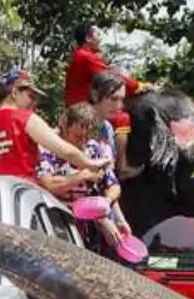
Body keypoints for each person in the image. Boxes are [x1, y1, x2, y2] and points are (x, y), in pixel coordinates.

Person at [38, 103, 146, 263]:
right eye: (76, 136)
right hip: (53, 225)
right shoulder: (46, 148)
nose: (81, 142)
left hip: (88, 232)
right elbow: (49, 184)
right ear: (64, 124)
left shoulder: (96, 149)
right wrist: (82, 176)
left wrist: (105, 206)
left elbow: (113, 186)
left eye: (86, 137)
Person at [0, 67, 94, 180]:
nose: (34, 103)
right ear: (15, 92)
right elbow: (66, 151)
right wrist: (91, 163)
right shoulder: (25, 118)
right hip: (21, 193)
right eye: (31, 97)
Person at [62, 24, 142, 109]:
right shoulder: (87, 57)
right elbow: (109, 78)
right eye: (98, 34)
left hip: (78, 104)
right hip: (83, 106)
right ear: (88, 38)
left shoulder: (81, 54)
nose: (101, 38)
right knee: (122, 118)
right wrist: (138, 86)